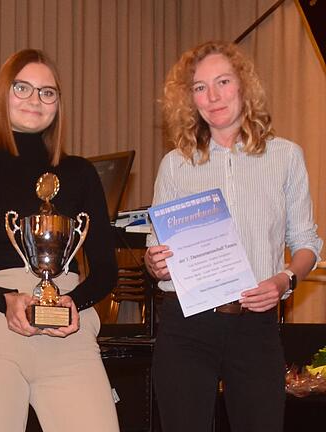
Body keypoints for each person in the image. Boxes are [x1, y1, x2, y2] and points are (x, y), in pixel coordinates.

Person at [0, 49, 120, 432]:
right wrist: (2, 300)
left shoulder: (80, 174)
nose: (35, 100)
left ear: (58, 103)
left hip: (68, 323)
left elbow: (105, 270)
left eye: (47, 92)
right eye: (23, 88)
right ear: (3, 94)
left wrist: (74, 302)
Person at [145, 40, 322, 432]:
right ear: (189, 99)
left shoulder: (286, 157)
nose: (213, 96)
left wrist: (285, 279)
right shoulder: (175, 165)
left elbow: (308, 241)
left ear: (244, 86)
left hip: (255, 326)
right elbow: (155, 255)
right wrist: (154, 262)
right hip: (186, 326)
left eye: (223, 81)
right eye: (200, 87)